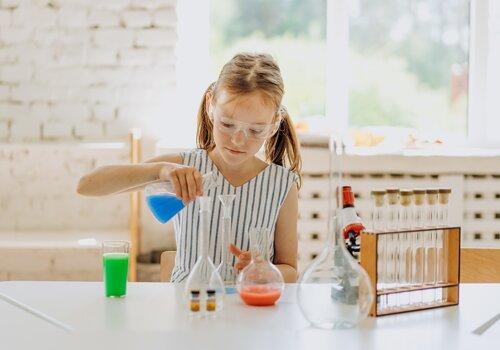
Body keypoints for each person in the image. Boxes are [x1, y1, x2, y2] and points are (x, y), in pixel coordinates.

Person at [77, 52, 302, 283]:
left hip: (250, 311)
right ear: (210, 106)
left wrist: (262, 271)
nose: (238, 140)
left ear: (274, 124)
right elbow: (87, 186)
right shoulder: (183, 167)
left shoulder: (281, 185)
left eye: (255, 130)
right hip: (188, 308)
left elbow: (290, 271)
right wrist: (159, 171)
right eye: (227, 124)